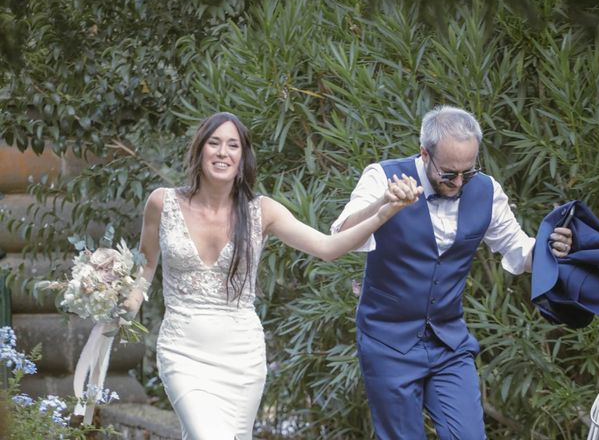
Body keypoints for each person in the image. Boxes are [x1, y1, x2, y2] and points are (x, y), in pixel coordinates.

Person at [123, 112, 423, 440]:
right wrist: (129, 298)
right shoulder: (162, 202)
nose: (223, 152)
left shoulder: (261, 211)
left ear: (243, 158)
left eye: (232, 145)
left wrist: (384, 211)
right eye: (214, 143)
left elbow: (328, 247)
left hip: (241, 356)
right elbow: (146, 265)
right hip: (183, 351)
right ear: (200, 150)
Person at [331, 105, 573, 440]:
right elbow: (340, 236)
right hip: (388, 343)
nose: (459, 183)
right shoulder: (383, 177)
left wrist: (551, 250)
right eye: (449, 174)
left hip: (449, 343)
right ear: (424, 153)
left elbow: (520, 250)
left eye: (467, 173)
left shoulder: (487, 191)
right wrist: (383, 207)